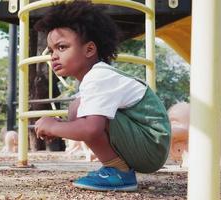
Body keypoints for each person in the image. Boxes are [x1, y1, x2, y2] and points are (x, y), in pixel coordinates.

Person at [34, 0, 171, 192]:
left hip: (150, 145)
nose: (54, 56)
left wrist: (55, 126)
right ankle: (115, 168)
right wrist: (61, 126)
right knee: (78, 107)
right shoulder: (94, 78)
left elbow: (91, 129)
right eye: (51, 50)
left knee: (79, 111)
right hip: (147, 144)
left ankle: (119, 172)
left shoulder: (99, 77)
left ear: (89, 49)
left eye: (62, 47)